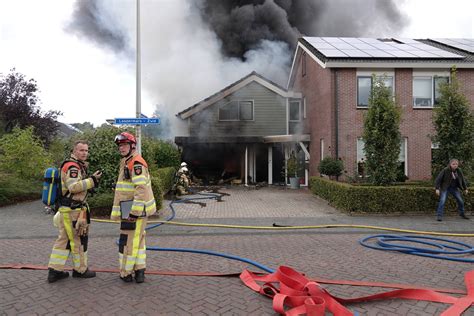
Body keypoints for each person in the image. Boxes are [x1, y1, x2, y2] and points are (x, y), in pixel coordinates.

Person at [47, 140, 102, 283]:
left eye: (86, 150)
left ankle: (54, 271)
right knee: (78, 240)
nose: (84, 153)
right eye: (81, 150)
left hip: (67, 209)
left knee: (63, 241)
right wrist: (92, 181)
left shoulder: (72, 165)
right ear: (74, 151)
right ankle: (80, 270)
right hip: (72, 211)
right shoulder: (73, 167)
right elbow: (73, 187)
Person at [111, 132, 156, 283]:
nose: (121, 148)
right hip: (131, 209)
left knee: (128, 242)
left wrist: (134, 213)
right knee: (139, 240)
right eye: (120, 146)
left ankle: (126, 273)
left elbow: (140, 189)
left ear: (132, 146)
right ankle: (140, 271)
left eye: (124, 145)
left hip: (132, 211)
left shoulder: (136, 163)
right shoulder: (127, 161)